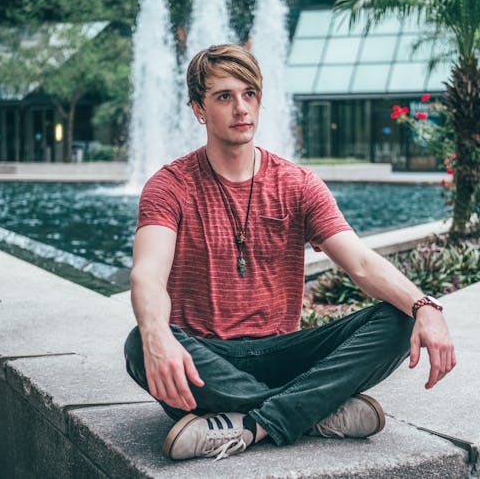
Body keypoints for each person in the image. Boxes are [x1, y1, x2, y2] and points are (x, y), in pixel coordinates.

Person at [124, 44, 456, 461]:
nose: (241, 108)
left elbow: (361, 262)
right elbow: (147, 276)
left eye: (250, 94)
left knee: (397, 318)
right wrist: (157, 336)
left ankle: (250, 423)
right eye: (224, 97)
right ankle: (313, 411)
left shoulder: (297, 184)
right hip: (207, 358)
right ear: (198, 110)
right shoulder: (169, 185)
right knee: (140, 344)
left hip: (285, 352)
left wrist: (425, 306)